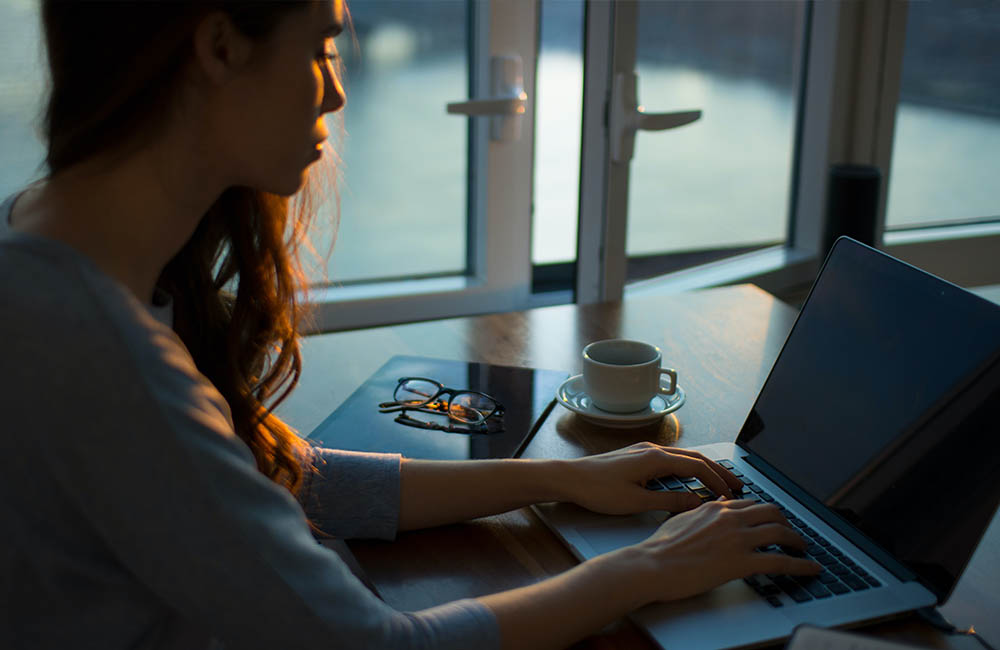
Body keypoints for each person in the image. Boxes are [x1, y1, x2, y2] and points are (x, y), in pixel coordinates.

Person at [0, 1, 820, 648]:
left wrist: (555, 479)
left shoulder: (42, 246)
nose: (337, 88)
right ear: (218, 46)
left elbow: (265, 475)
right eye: (322, 45)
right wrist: (641, 571)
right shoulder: (106, 360)